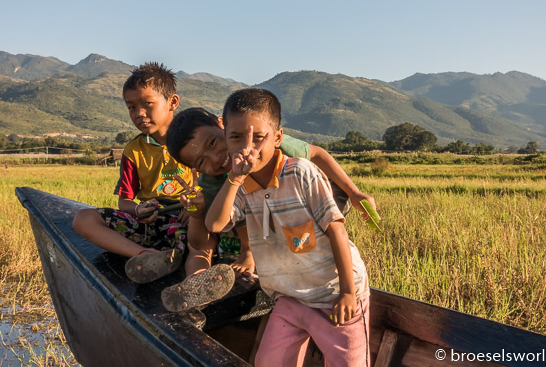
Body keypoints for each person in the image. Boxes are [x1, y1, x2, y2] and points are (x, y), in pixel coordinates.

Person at [205, 88, 370, 366]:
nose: (248, 148)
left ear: (278, 137)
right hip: (290, 296)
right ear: (226, 139)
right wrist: (233, 179)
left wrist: (347, 293)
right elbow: (215, 224)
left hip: (334, 295)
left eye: (258, 138)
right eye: (236, 137)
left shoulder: (300, 172)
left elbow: (337, 231)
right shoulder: (240, 187)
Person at [161, 106, 375, 311]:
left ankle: (250, 253)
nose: (215, 158)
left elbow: (317, 153)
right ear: (195, 170)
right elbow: (206, 236)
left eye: (212, 143)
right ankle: (198, 288)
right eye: (201, 162)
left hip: (297, 207)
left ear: (222, 125)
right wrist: (196, 214)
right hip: (254, 219)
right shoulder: (212, 181)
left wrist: (354, 192)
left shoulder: (263, 141)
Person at [72, 63, 234, 304]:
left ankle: (192, 282)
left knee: (198, 244)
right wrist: (138, 209)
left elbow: (209, 184)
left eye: (147, 104)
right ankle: (146, 256)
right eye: (131, 107)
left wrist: (194, 211)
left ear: (172, 102)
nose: (139, 113)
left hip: (187, 218)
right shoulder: (133, 150)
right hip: (152, 221)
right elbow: (125, 201)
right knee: (82, 219)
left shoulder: (195, 141)